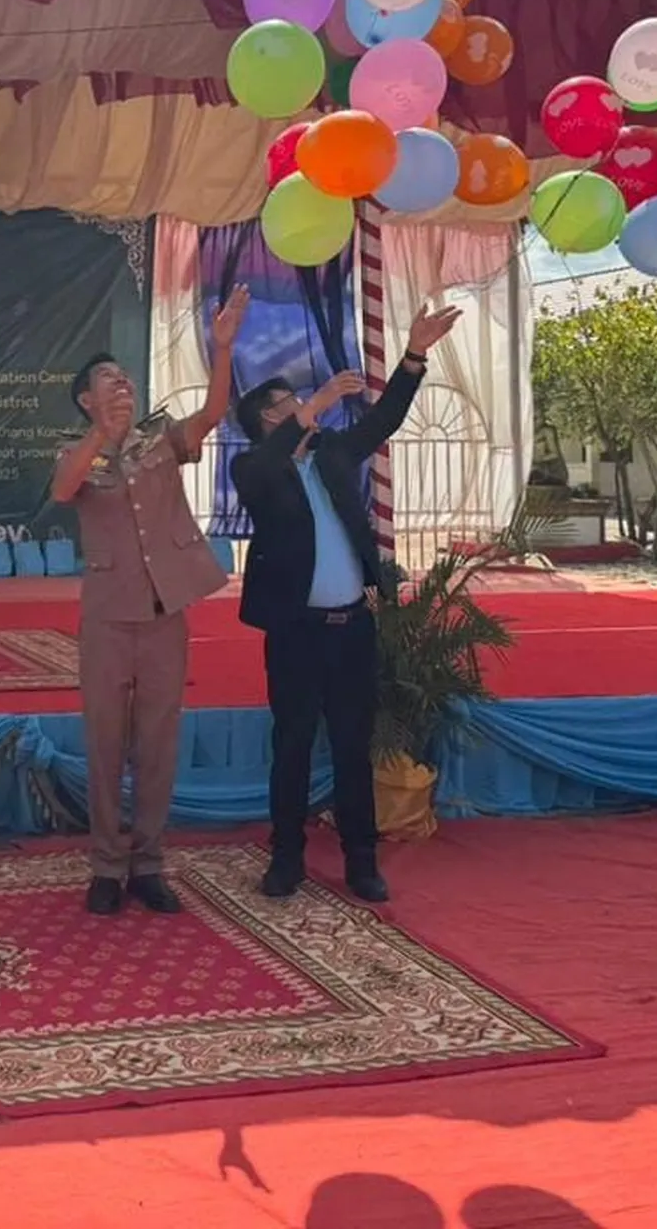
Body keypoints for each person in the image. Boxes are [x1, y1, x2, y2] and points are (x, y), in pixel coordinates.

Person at [231, 303, 460, 906]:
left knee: (354, 746)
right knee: (294, 744)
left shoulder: (332, 454)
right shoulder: (255, 468)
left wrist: (414, 354)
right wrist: (318, 401)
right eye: (282, 406)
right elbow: (267, 462)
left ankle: (362, 860)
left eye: (295, 401)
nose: (297, 407)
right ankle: (286, 860)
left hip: (351, 627)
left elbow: (384, 418)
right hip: (296, 632)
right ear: (265, 423)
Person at [51, 286, 249, 916]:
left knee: (159, 741)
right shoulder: (75, 449)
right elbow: (63, 490)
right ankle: (106, 866)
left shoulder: (162, 441)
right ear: (86, 398)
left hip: (166, 610)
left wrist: (222, 349)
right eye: (108, 381)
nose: (121, 387)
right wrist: (98, 435)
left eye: (125, 380)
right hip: (109, 615)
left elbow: (215, 412)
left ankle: (149, 862)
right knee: (106, 741)